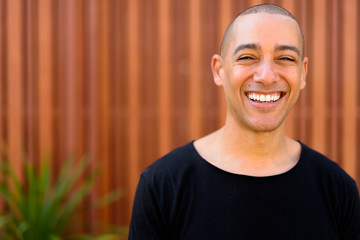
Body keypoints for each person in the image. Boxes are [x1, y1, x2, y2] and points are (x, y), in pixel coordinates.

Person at [129, 4, 360, 240]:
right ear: (219, 70)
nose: (267, 76)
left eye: (285, 58)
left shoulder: (337, 190)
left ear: (303, 73)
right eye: (248, 57)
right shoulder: (162, 186)